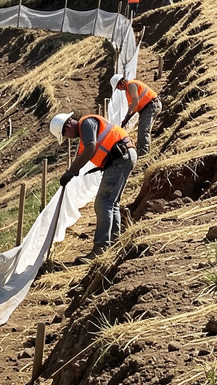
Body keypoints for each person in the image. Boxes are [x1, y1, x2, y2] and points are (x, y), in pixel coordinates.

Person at [51, 112, 137, 261]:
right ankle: (115, 244)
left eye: (65, 135)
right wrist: (75, 169)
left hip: (120, 158)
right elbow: (86, 152)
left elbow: (90, 148)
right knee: (111, 203)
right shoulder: (86, 129)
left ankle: (100, 249)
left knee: (103, 203)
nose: (68, 138)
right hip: (122, 157)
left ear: (68, 126)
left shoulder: (87, 123)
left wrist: (70, 172)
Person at [111, 74, 161, 156]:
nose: (119, 89)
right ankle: (141, 151)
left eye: (118, 87)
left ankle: (144, 154)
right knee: (142, 129)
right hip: (146, 108)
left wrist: (127, 116)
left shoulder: (131, 85)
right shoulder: (128, 90)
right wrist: (126, 120)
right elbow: (134, 107)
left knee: (144, 130)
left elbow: (135, 101)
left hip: (151, 105)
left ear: (121, 82)